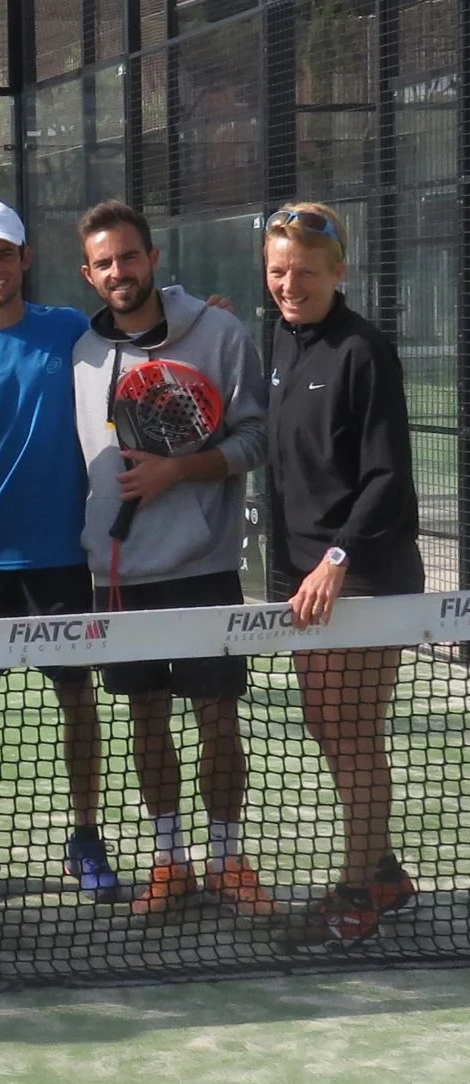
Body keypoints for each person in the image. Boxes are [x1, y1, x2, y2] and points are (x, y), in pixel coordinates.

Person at [70, 200, 273, 920]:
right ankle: (169, 861)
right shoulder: (85, 354)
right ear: (89, 275)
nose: (119, 272)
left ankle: (227, 859)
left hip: (203, 569)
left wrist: (177, 472)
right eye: (104, 263)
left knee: (218, 717)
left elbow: (255, 439)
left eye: (129, 256)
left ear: (153, 258)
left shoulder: (219, 333)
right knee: (146, 719)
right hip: (119, 577)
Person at [0, 200, 122, 904]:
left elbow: (141, 334)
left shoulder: (72, 331)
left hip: (61, 556)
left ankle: (85, 838)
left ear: (25, 259)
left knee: (77, 698)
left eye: (5, 253)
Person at [260, 202, 424, 948]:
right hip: (304, 579)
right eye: (278, 271)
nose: (289, 285)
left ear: (340, 271)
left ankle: (360, 892)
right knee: (332, 730)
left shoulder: (364, 350)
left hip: (359, 578)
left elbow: (387, 477)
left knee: (351, 734)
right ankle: (382, 872)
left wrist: (336, 559)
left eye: (304, 272)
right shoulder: (283, 344)